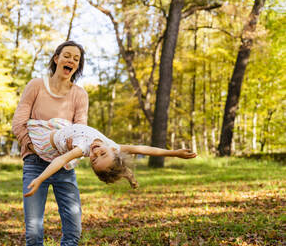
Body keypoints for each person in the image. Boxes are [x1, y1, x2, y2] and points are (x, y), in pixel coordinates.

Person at [12, 41, 88, 246]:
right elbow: (19, 122)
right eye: (67, 55)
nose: (71, 60)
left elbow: (81, 131)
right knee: (34, 234)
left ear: (78, 66)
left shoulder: (79, 95)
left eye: (76, 58)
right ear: (56, 59)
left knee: (74, 232)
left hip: (64, 166)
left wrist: (72, 147)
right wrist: (33, 146)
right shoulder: (36, 85)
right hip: (35, 164)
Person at [23, 118, 197, 197]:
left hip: (47, 140)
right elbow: (142, 149)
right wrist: (174, 153)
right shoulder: (112, 145)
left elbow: (60, 160)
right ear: (113, 151)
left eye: (94, 159)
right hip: (61, 126)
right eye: (102, 153)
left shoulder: (83, 147)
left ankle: (32, 146)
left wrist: (40, 179)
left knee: (26, 137)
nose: (95, 151)